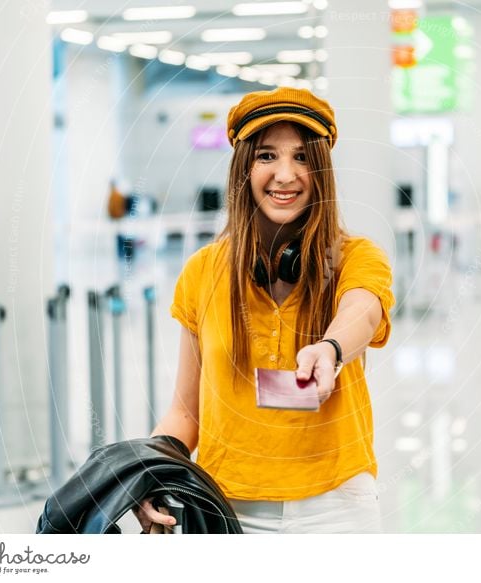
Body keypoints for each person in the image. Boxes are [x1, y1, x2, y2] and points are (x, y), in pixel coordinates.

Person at [134, 87, 395, 534]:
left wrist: (330, 349)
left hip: (336, 505)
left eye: (301, 157)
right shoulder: (203, 271)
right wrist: (151, 472)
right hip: (229, 504)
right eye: (267, 156)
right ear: (243, 169)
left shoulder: (354, 256)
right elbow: (186, 412)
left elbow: (363, 310)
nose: (286, 175)